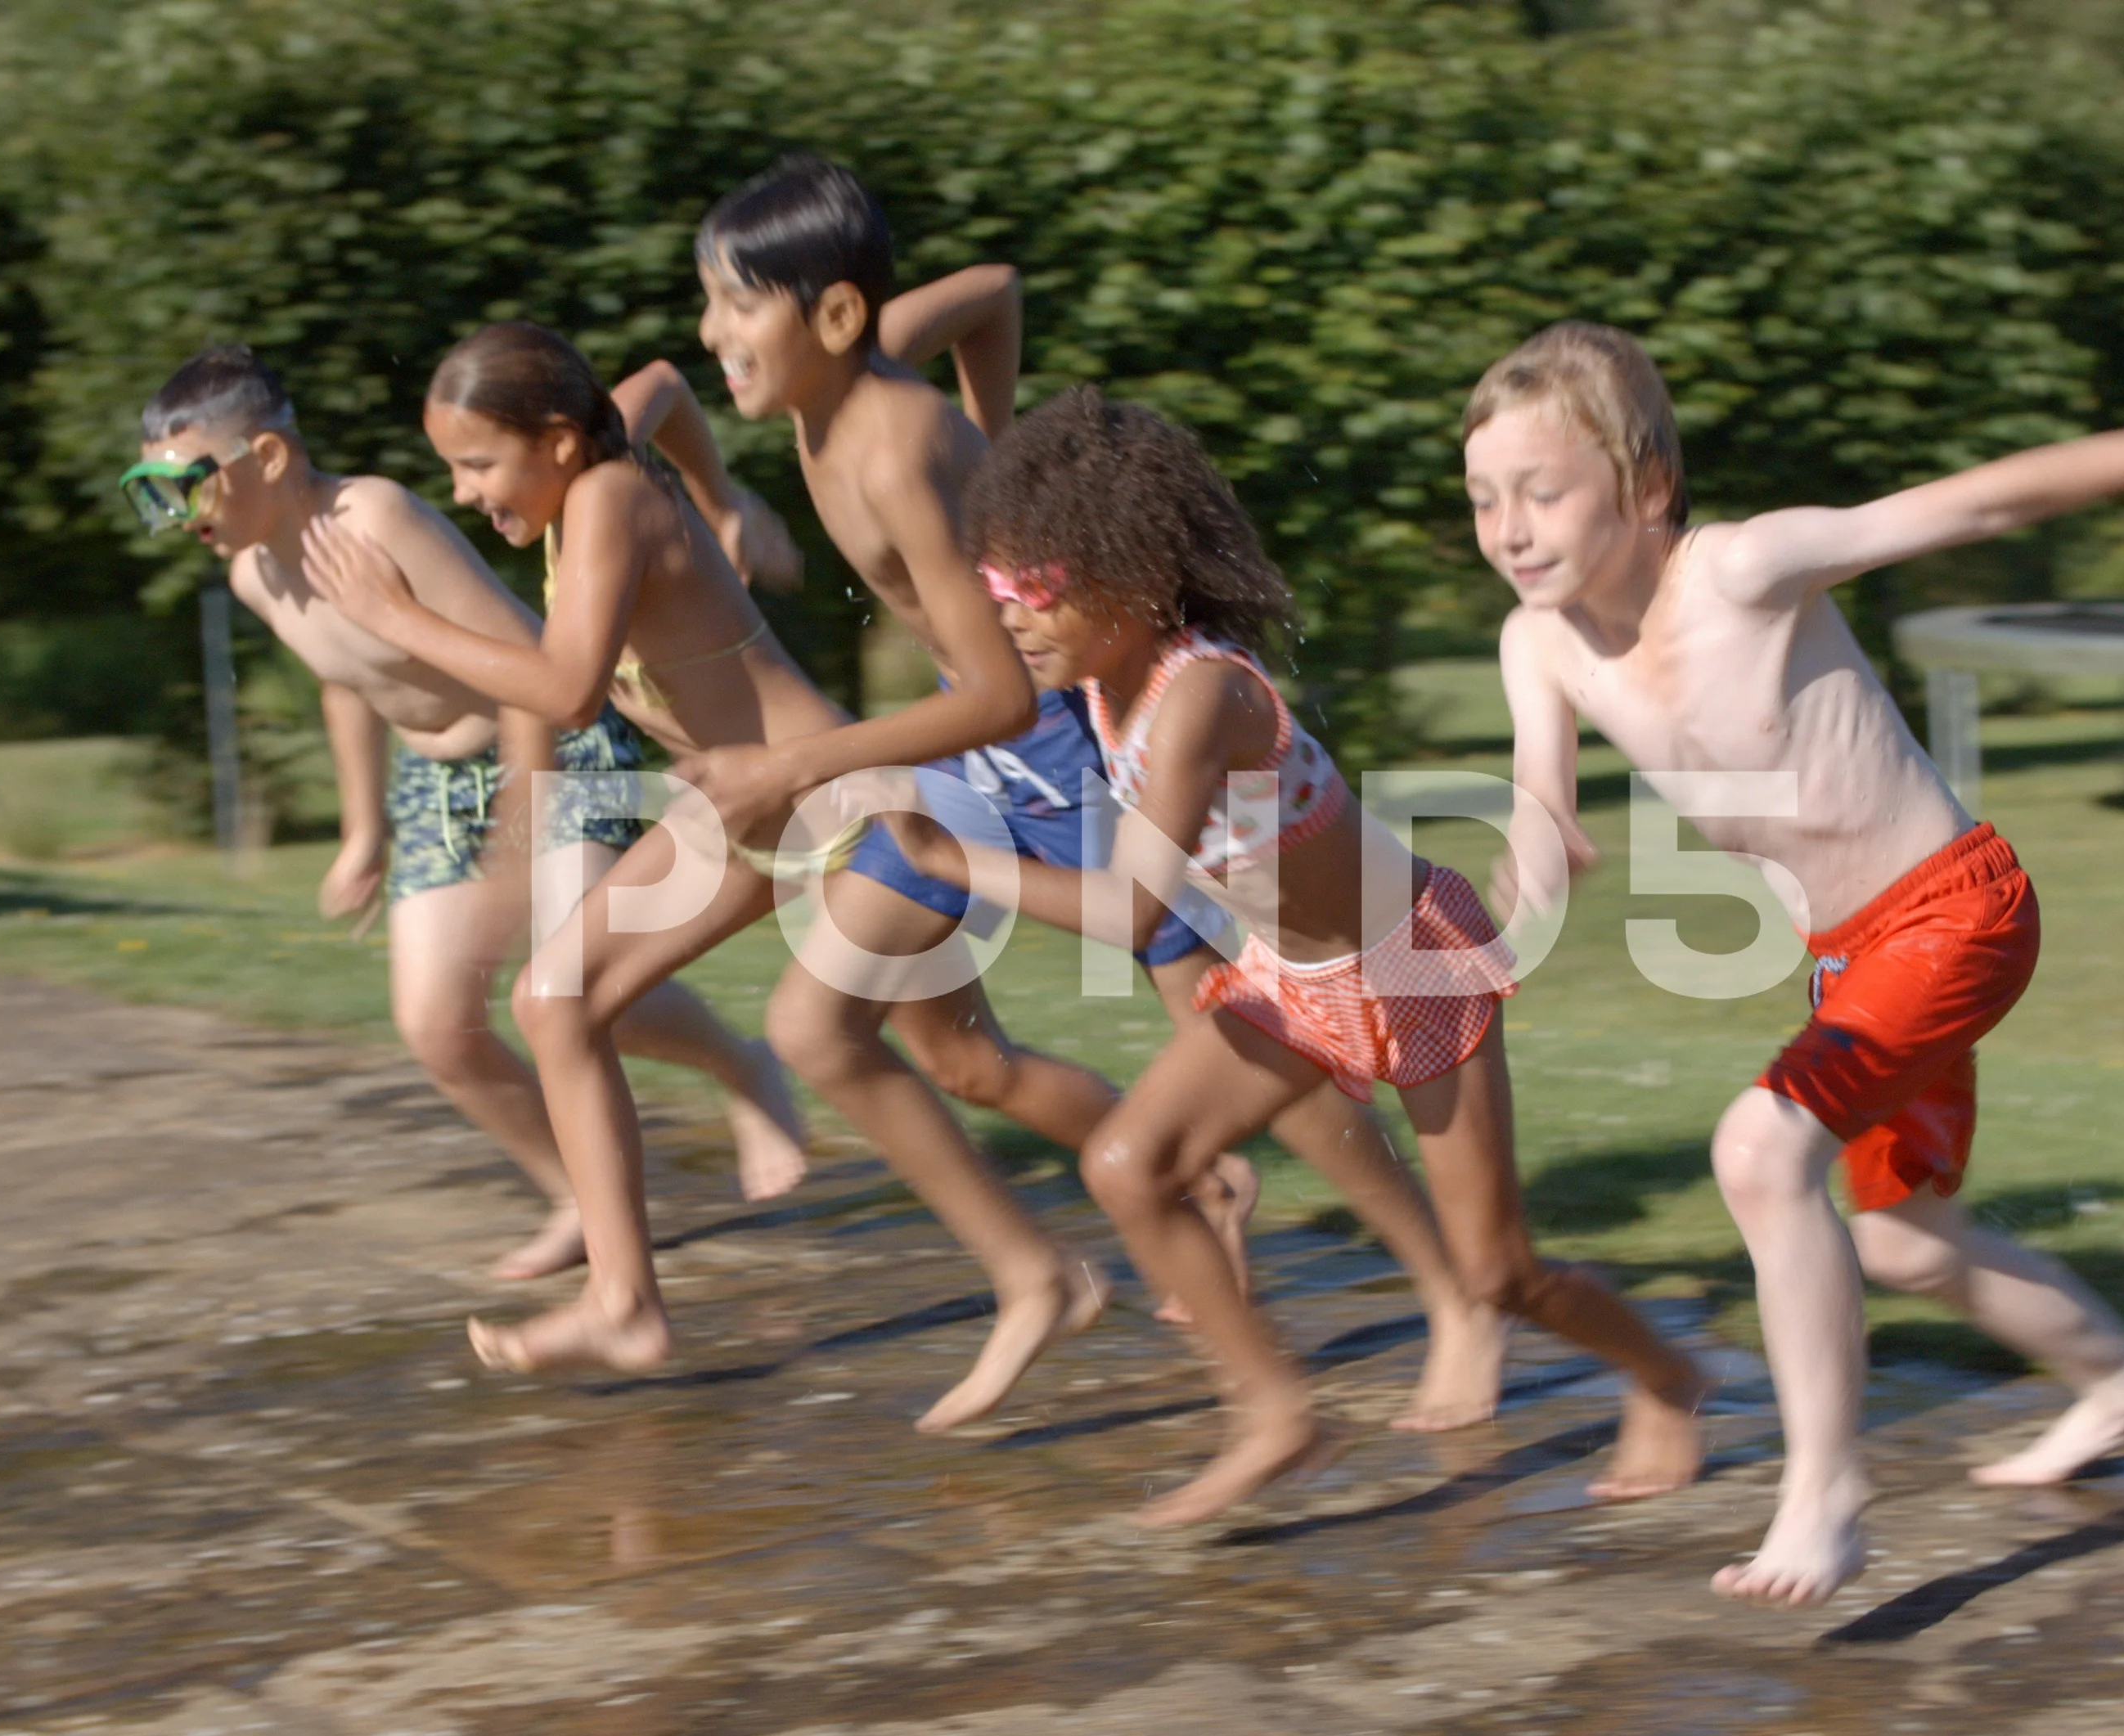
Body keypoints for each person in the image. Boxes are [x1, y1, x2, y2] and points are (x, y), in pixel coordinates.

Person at [1462, 323, 2124, 1607]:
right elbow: (1541, 809)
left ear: (1647, 486)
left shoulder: (1741, 569)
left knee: (1760, 1151)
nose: (1508, 525)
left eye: (1541, 490)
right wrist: (1522, 880)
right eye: (1485, 497)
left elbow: (1984, 501)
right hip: (1853, 957)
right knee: (1902, 1244)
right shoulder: (1539, 643)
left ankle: (1827, 1492)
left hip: (1958, 912)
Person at [632, 156, 1506, 1424]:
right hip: (969, 755)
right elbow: (994, 290)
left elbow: (997, 693)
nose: (712, 334)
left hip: (1058, 740)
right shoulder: (862, 365)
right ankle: (1038, 1272)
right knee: (821, 1027)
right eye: (706, 302)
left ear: (826, 318)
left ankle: (1453, 1293)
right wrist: (1006, 463)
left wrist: (797, 763)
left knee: (1257, 1033)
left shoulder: (886, 447)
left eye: (733, 306)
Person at [889, 385, 1706, 1524]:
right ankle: (1278, 1413)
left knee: (1499, 1275)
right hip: (1291, 980)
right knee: (1129, 1166)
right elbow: (977, 702)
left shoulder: (1200, 697)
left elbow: (1134, 910)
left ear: (1129, 575)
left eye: (1036, 590)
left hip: (1410, 967)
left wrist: (950, 859)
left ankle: (1669, 1377)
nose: (1011, 616)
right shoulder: (1094, 682)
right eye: (996, 588)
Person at [304, 320, 1100, 1421]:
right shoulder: (595, 445)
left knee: (962, 1066)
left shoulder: (609, 500)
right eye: (450, 467)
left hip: (821, 805)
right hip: (731, 811)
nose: (466, 492)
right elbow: (671, 386)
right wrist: (727, 500)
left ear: (555, 442)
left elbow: (567, 688)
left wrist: (393, 616)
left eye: (478, 464)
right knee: (556, 998)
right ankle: (627, 1303)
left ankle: (1139, 1195)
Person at [119, 344, 806, 1283]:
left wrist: (518, 839)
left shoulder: (375, 518)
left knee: (598, 990)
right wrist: (364, 830)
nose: (175, 513)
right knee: (440, 1027)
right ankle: (575, 1196)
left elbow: (533, 676)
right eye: (153, 490)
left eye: (186, 485)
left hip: (553, 745)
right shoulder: (255, 575)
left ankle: (743, 1067)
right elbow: (347, 683)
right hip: (434, 778)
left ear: (268, 459)